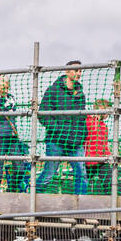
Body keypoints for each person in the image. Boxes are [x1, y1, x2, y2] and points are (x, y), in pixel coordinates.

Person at [35, 60, 88, 195]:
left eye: (80, 71)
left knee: (81, 175)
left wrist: (82, 134)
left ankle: (80, 210)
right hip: (56, 140)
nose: (79, 73)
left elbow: (82, 117)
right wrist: (58, 128)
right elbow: (42, 115)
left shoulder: (80, 94)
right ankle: (31, 197)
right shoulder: (53, 91)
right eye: (76, 70)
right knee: (49, 174)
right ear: (67, 71)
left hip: (75, 142)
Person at [0, 77, 27, 193]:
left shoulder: (12, 101)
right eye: (4, 87)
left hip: (12, 138)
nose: (6, 89)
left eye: (7, 86)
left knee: (20, 168)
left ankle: (10, 191)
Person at [84, 99, 113, 194]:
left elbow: (103, 144)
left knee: (110, 183)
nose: (108, 114)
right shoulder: (87, 121)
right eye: (107, 110)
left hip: (101, 160)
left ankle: (111, 204)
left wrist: (108, 154)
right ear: (101, 109)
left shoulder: (104, 126)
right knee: (81, 182)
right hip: (88, 161)